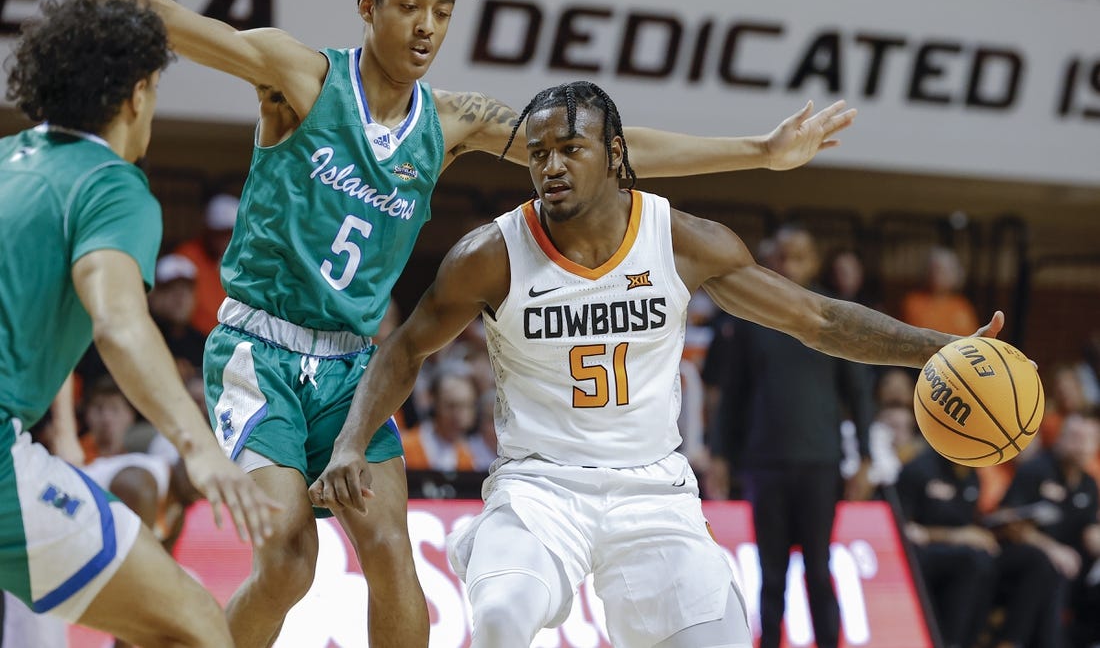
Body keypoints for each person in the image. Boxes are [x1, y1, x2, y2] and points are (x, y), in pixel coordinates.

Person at [4, 0, 860, 646]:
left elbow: (612, 143)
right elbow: (156, 12)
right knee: (292, 557)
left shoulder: (452, 121)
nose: (426, 27)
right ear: (368, 7)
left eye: (442, 13)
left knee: (390, 550)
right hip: (258, 352)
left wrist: (758, 151)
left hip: (351, 366)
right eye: (409, 5)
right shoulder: (299, 76)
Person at [309, 80, 1004, 648]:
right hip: (539, 490)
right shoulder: (490, 253)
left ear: (616, 153)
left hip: (655, 494)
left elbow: (816, 319)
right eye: (538, 152)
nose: (550, 165)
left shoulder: (679, 240)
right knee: (497, 621)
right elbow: (402, 351)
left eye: (569, 148)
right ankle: (490, 545)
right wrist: (349, 442)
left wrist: (935, 346)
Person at [0, 0, 275, 646]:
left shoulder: (6, 159)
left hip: (22, 441)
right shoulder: (108, 183)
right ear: (138, 93)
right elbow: (119, 322)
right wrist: (199, 446)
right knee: (197, 626)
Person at [705, 223, 877, 648]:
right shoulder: (750, 316)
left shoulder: (834, 313)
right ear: (770, 259)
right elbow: (733, 394)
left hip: (820, 461)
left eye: (799, 256)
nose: (789, 264)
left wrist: (867, 459)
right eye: (782, 256)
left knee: (819, 570)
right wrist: (720, 456)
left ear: (815, 261)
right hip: (765, 462)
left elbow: (859, 393)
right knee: (771, 574)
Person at [897, 444, 1062, 648]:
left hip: (969, 550)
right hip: (923, 554)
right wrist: (953, 536)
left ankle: (1008, 641)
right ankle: (952, 642)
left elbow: (970, 522)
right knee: (973, 560)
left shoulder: (972, 474)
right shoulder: (919, 469)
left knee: (1035, 560)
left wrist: (1000, 527)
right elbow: (900, 528)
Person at [997, 413, 1100, 648]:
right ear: (1060, 438)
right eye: (1076, 438)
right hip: (1019, 556)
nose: (1083, 446)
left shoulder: (1088, 483)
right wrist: (1053, 549)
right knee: (1047, 565)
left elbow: (1090, 531)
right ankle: (1012, 641)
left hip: (1070, 565)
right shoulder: (1036, 470)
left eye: (1090, 439)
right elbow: (1009, 522)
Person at [173, 193, 238, 335]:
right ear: (207, 230)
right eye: (219, 233)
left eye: (230, 232)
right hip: (195, 339)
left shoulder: (240, 260)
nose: (225, 239)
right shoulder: (187, 256)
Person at [900, 245, 980, 337]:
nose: (940, 275)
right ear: (928, 271)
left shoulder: (962, 305)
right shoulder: (913, 302)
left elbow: (972, 338)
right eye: (937, 269)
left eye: (947, 270)